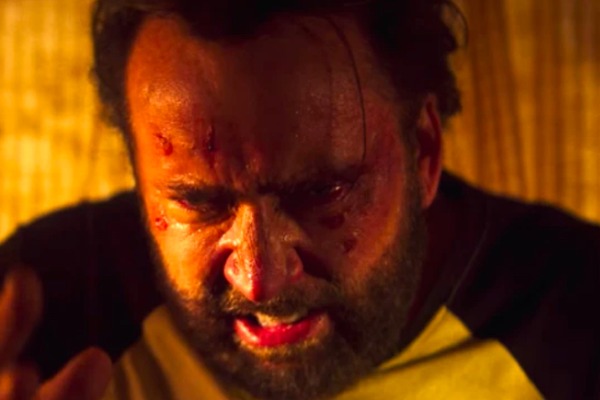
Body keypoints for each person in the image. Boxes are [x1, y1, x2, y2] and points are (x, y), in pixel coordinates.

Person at [0, 0, 598, 399]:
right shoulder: (48, 312)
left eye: (322, 192)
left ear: (423, 151)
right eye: (197, 203)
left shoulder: (577, 324)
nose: (260, 279)